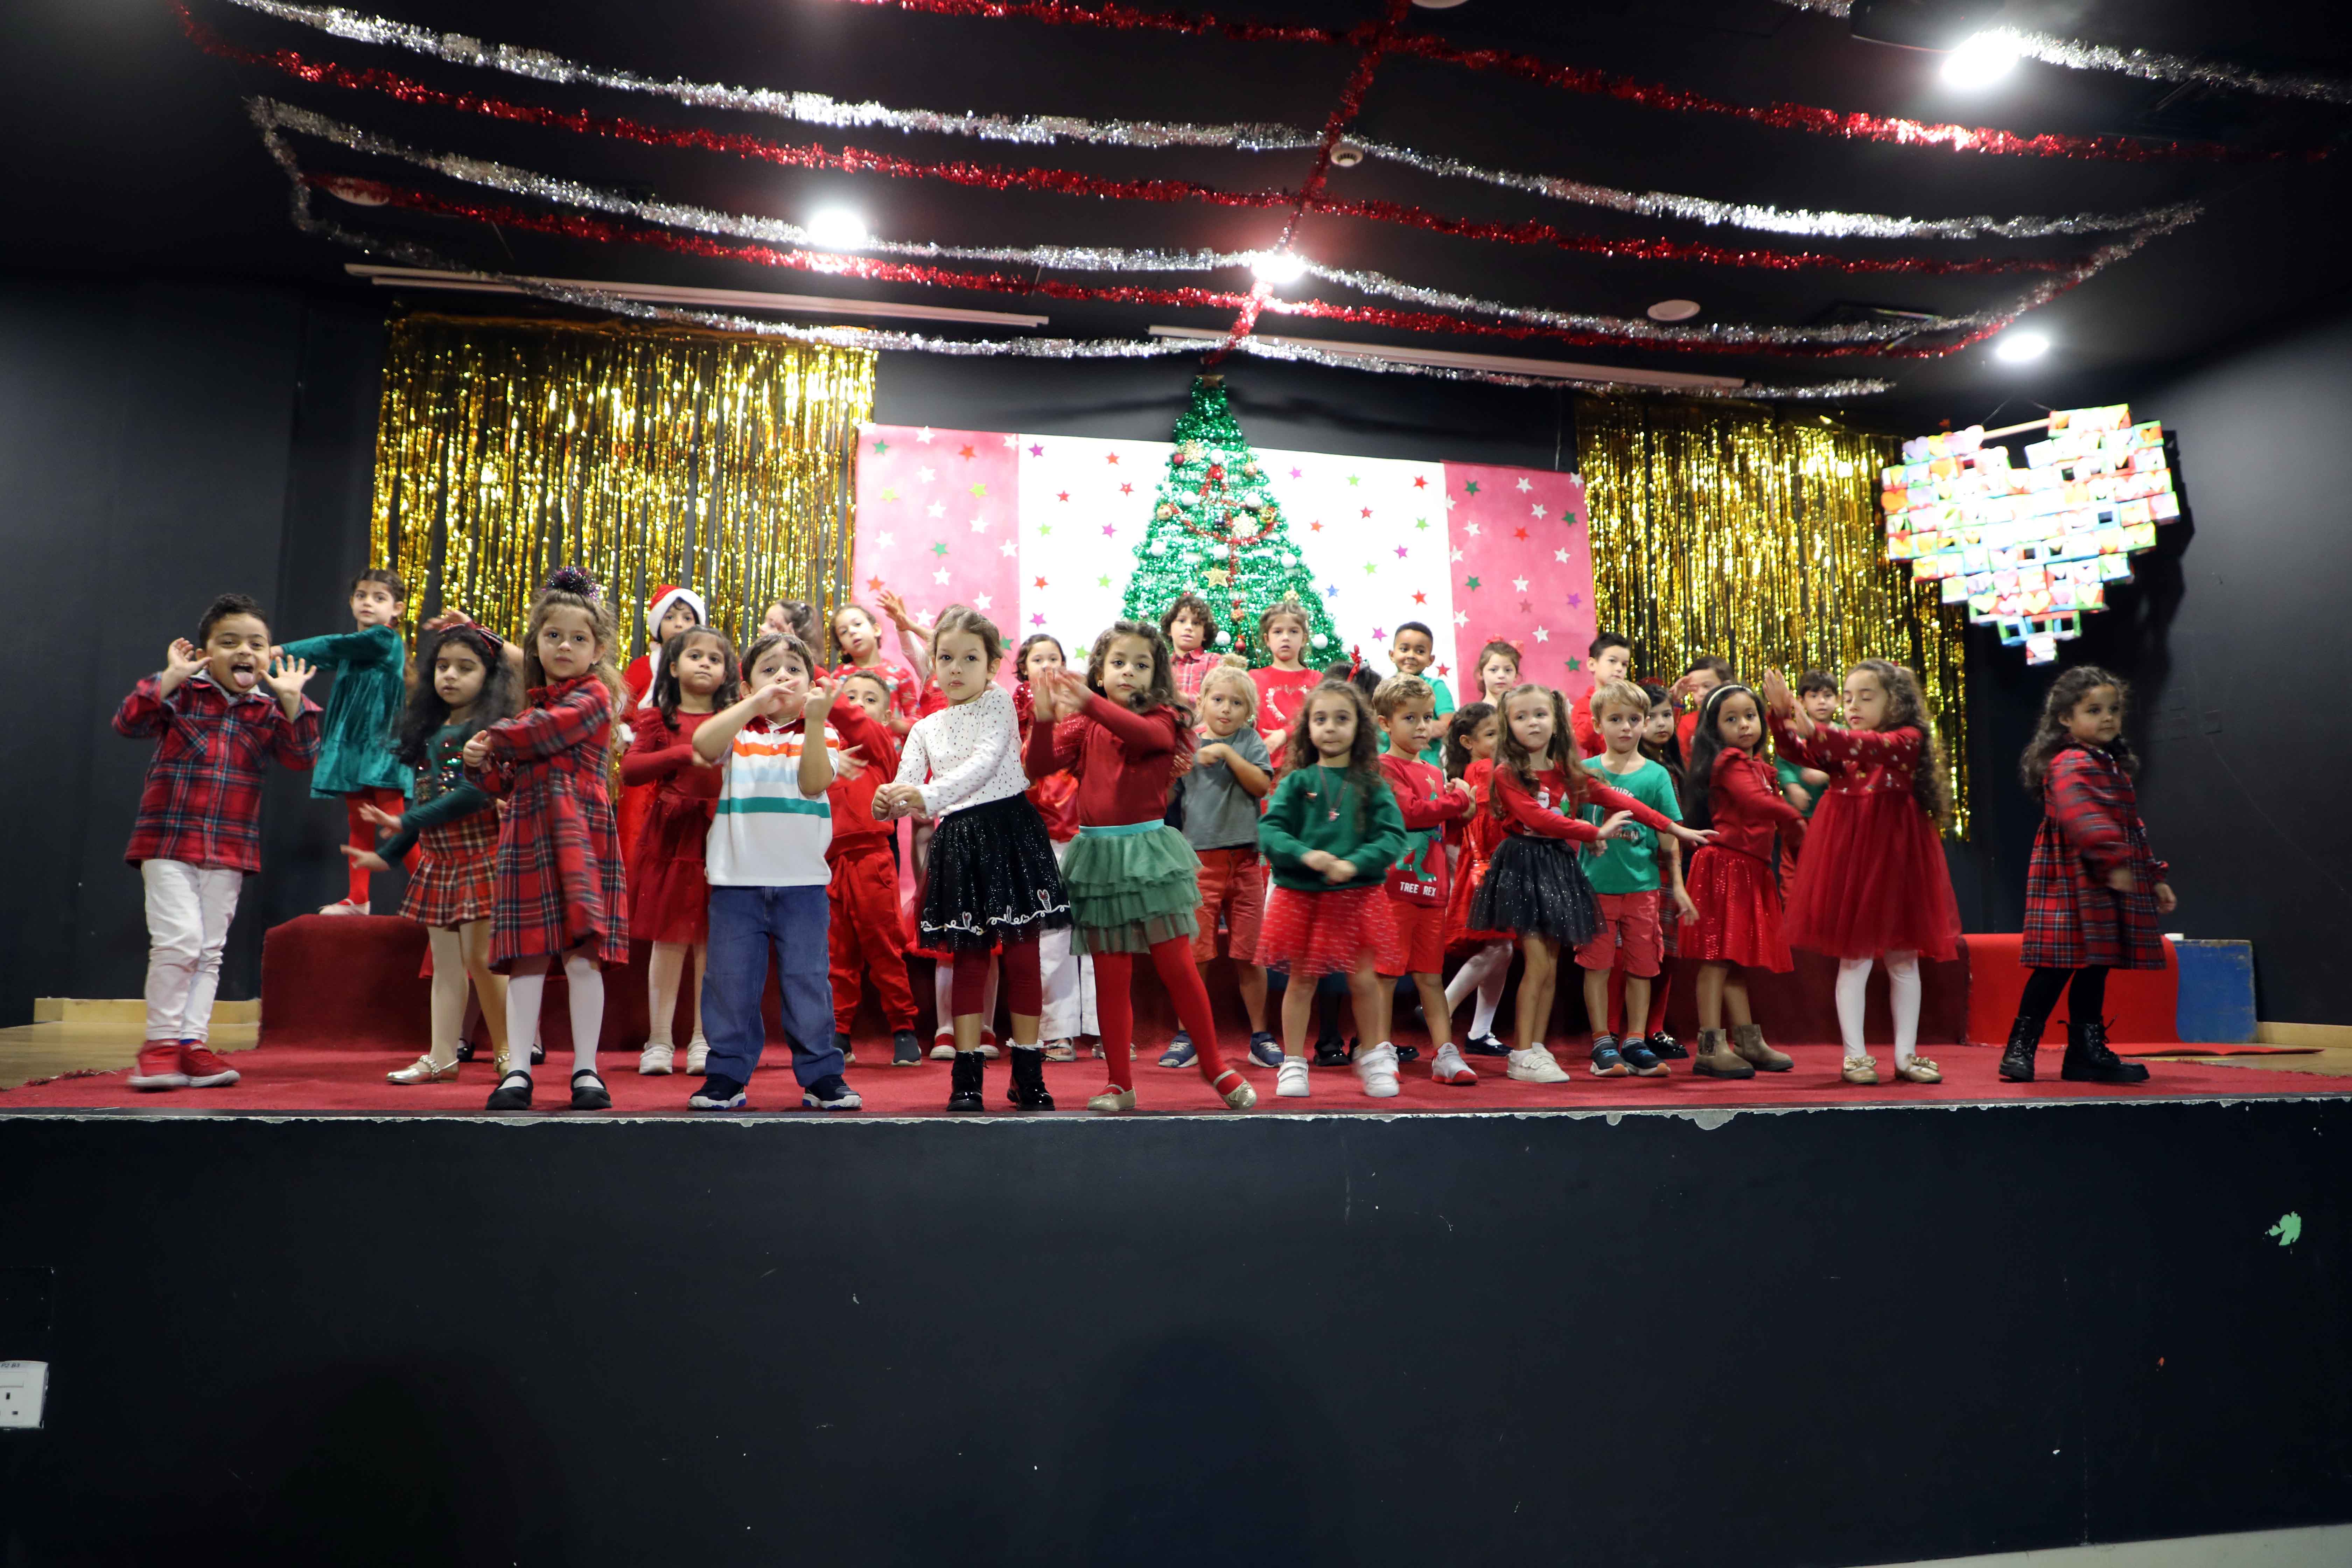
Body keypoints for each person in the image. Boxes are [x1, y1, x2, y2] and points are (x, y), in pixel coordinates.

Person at [1028, 622, 1258, 1113]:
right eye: (1118, 663)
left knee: (1179, 967)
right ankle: (1120, 1082)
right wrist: (1045, 719)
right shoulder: (1087, 725)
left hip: (1148, 854)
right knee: (1111, 976)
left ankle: (1215, 1065)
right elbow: (1037, 767)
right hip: (1099, 857)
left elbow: (1144, 736)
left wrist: (1089, 703)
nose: (1128, 671)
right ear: (1100, 672)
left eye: (1140, 664)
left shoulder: (1164, 717)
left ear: (1157, 674)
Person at [117, 595, 320, 1090]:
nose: (244, 651)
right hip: (168, 840)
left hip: (229, 847)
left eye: (257, 644)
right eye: (229, 642)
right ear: (206, 653)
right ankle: (159, 1045)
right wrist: (170, 677)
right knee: (179, 941)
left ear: (269, 655)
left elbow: (303, 757)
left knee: (209, 950)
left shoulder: (267, 710)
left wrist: (293, 701)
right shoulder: (183, 695)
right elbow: (129, 721)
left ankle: (192, 1043)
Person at [875, 606, 1070, 1113]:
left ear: (992, 665)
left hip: (1010, 833)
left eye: (970, 658)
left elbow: (983, 765)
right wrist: (887, 800)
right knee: (969, 960)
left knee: (1023, 957)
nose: (956, 669)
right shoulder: (924, 728)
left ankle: (1028, 1074)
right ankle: (967, 1080)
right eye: (946, 658)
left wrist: (925, 797)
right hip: (959, 842)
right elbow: (904, 788)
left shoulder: (998, 703)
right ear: (934, 663)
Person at [1473, 684, 1707, 1086]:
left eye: (1541, 714)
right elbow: (1540, 819)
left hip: (1555, 864)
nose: (1533, 723)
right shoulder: (1507, 773)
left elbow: (1623, 802)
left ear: (1556, 721)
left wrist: (1674, 828)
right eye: (1521, 717)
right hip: (1525, 863)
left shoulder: (1568, 771)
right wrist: (1594, 831)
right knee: (1538, 964)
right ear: (1508, 726)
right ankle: (1522, 1052)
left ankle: (1536, 1045)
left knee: (1549, 966)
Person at [691, 632, 885, 1112]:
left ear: (812, 686)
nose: (783, 676)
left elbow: (814, 782)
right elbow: (702, 744)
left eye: (794, 669)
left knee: (808, 980)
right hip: (736, 882)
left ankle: (822, 1075)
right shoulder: (740, 731)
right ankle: (726, 1075)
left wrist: (815, 720)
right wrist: (753, 704)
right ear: (747, 686)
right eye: (769, 670)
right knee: (730, 982)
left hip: (802, 884)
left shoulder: (821, 731)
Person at [461, 567, 629, 1114]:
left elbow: (545, 733)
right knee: (528, 957)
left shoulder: (594, 697)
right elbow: (503, 782)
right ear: (536, 643)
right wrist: (479, 764)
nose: (565, 646)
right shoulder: (530, 710)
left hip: (579, 834)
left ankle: (587, 1070)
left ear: (597, 650)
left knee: (582, 958)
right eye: (554, 635)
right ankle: (517, 1070)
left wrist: (492, 737)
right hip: (530, 836)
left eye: (579, 638)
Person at [1764, 660, 1963, 1087]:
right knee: (1854, 959)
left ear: (1895, 702)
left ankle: (1906, 1055)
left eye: (1865, 697)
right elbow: (1797, 753)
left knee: (1903, 958)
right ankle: (1855, 1057)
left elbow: (1868, 745)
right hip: (1853, 858)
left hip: (1897, 857)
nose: (1852, 706)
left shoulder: (1906, 739)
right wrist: (1781, 718)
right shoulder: (1842, 745)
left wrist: (1814, 729)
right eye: (1849, 697)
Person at [347, 620, 518, 1084]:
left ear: (488, 677)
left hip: (480, 854)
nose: (450, 676)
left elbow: (473, 794)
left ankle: (509, 1052)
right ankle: (442, 1056)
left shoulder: (487, 734)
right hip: (441, 861)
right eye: (443, 666)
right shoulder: (432, 731)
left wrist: (404, 824)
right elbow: (426, 799)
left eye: (465, 667)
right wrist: (390, 853)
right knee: (446, 965)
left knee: (483, 961)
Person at [2001, 666, 2173, 1084]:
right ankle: (2020, 1048)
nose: (2108, 718)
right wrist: (2112, 859)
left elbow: (2131, 825)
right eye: (2094, 710)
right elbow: (2083, 815)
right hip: (2072, 879)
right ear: (2066, 718)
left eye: (2113, 709)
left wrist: (2153, 875)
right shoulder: (2071, 762)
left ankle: (2085, 1051)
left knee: (2097, 965)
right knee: (2055, 966)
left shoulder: (2109, 764)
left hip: (2100, 878)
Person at [1255, 680, 1408, 1099]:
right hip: (1302, 898)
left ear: (1360, 727)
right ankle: (1293, 1063)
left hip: (1357, 899)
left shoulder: (1372, 784)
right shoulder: (1297, 781)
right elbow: (1271, 830)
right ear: (1308, 728)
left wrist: (1354, 863)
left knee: (1364, 981)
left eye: (1342, 719)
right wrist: (1307, 856)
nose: (1331, 727)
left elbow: (1392, 836)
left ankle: (1373, 1057)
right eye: (1320, 719)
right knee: (1302, 980)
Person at [621, 624, 737, 1077]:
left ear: (727, 672)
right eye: (695, 656)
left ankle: (703, 1039)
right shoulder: (658, 719)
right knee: (669, 940)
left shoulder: (734, 720)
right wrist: (683, 754)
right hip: (673, 837)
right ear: (672, 667)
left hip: (720, 835)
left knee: (712, 942)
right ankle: (659, 1040)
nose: (705, 663)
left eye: (715, 658)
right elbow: (631, 770)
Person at [1679, 682, 1804, 1081]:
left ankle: (1748, 1041)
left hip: (1750, 868)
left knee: (1735, 961)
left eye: (1750, 716)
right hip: (1726, 868)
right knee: (1716, 959)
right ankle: (1710, 1047)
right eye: (1731, 719)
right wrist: (1793, 814)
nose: (1744, 725)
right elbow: (1754, 801)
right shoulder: (1729, 762)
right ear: (1715, 730)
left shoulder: (1759, 766)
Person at [1575, 680, 1694, 1079]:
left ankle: (1636, 1040)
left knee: (1643, 965)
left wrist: (1678, 885)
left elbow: (1668, 834)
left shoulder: (1657, 775)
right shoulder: (1585, 772)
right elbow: (1566, 819)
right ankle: (1602, 1042)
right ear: (1597, 724)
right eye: (1615, 719)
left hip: (1643, 888)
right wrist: (1588, 836)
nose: (1625, 727)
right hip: (1595, 888)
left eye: (1633, 719)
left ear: (1644, 723)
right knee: (1597, 965)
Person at [276, 568, 410, 914]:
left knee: (395, 819)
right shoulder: (354, 648)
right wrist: (266, 665)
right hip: (352, 745)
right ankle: (359, 898)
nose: (368, 603)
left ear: (397, 609)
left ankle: (434, 894)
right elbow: (316, 658)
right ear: (351, 602)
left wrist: (277, 651)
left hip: (381, 745)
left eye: (379, 598)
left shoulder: (383, 639)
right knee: (359, 819)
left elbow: (330, 646)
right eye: (362, 596)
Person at [1166, 664, 1279, 1070]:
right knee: (1196, 955)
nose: (1226, 709)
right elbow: (1167, 797)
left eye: (1236, 703)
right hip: (1200, 864)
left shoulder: (1249, 741)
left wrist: (1229, 753)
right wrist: (1175, 766)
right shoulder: (1189, 744)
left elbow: (1261, 785)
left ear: (1249, 712)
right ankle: (1189, 1034)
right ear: (1202, 702)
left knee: (1250, 955)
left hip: (1246, 862)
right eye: (1218, 700)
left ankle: (1261, 1036)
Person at [1372, 674, 1477, 1088]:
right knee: (1385, 975)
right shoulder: (1382, 768)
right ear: (1385, 723)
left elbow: (1443, 829)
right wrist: (1460, 799)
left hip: (1432, 890)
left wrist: (1463, 812)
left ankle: (1445, 1053)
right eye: (1410, 718)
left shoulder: (1434, 771)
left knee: (1431, 977)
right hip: (1394, 889)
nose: (1422, 726)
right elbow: (1411, 813)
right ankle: (1380, 1051)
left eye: (1428, 717)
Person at [826, 666, 924, 1068]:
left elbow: (855, 723)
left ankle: (903, 1027)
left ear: (886, 717)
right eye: (851, 697)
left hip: (872, 859)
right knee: (838, 955)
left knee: (885, 949)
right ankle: (839, 1032)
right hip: (830, 863)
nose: (858, 706)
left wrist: (822, 682)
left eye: (869, 700)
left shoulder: (880, 745)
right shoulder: (825, 753)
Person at [1015, 634, 1097, 1062]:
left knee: (1100, 934)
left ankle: (1106, 1028)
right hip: (1047, 845)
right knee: (1053, 939)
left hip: (1095, 842)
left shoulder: (1095, 738)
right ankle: (1059, 1032)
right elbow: (1026, 785)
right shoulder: (1033, 739)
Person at [1438, 702, 1513, 1056]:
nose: (1500, 740)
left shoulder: (1471, 772)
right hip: (1488, 871)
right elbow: (1487, 827)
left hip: (1480, 870)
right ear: (1468, 742)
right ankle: (1441, 1008)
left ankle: (1480, 1031)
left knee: (1501, 949)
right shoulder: (1484, 770)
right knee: (1499, 947)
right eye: (1491, 734)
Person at [618, 584, 707, 864]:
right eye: (670, 617)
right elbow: (621, 712)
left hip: (689, 767)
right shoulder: (642, 667)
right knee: (636, 833)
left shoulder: (705, 668)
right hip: (646, 765)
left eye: (687, 618)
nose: (679, 624)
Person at [830, 594, 929, 733]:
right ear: (843, 648)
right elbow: (830, 721)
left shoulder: (900, 674)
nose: (852, 632)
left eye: (858, 624)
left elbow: (917, 720)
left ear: (876, 630)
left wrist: (890, 724)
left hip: (891, 746)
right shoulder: (838, 677)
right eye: (844, 632)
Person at [1249, 595, 1323, 769]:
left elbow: (1320, 720)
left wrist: (1286, 733)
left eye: (1294, 632)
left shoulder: (1317, 679)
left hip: (1307, 768)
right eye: (1278, 632)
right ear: (1267, 640)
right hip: (1263, 768)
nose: (1286, 638)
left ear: (1304, 639)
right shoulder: (1253, 678)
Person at [1772, 670, 1837, 820]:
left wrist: (1827, 775)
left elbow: (1852, 769)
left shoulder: (1845, 734)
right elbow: (1783, 764)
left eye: (1828, 696)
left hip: (1833, 812)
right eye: (1814, 696)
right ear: (1802, 702)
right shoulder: (1796, 732)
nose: (1822, 701)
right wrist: (1793, 787)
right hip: (1800, 813)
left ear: (1838, 700)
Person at [1388, 621, 1455, 766]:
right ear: (1392, 655)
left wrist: (1404, 726)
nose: (1411, 656)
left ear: (1431, 660)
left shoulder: (1436, 687)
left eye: (1420, 652)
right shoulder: (1384, 689)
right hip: (1387, 769)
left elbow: (1449, 725)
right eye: (1404, 649)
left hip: (1426, 768)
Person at [1568, 631, 1634, 757]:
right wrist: (1604, 704)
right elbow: (1584, 740)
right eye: (1612, 661)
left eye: (1624, 664)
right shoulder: (1584, 705)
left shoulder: (1631, 701)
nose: (1619, 668)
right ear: (1592, 664)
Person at [1160, 593, 1220, 703]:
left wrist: (1180, 698)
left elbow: (1218, 701)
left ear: (1205, 634)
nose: (1189, 627)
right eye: (1182, 621)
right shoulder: (1163, 666)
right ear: (1169, 630)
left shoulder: (1214, 661)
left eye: (1196, 623)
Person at [1473, 639, 1521, 708]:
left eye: (1508, 670)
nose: (1501, 676)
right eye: (1494, 670)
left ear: (1516, 675)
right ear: (1481, 674)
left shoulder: (1520, 710)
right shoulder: (1474, 712)